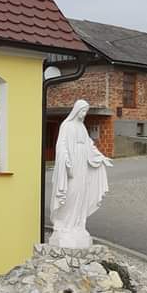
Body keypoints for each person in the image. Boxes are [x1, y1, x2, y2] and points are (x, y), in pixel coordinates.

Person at [49, 99, 112, 249]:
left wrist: (101, 158)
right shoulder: (67, 125)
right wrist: (66, 160)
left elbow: (90, 145)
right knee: (71, 192)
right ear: (76, 111)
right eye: (83, 111)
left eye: (86, 111)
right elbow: (61, 145)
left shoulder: (82, 127)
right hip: (71, 165)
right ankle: (64, 223)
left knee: (81, 194)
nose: (84, 114)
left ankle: (77, 224)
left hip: (82, 165)